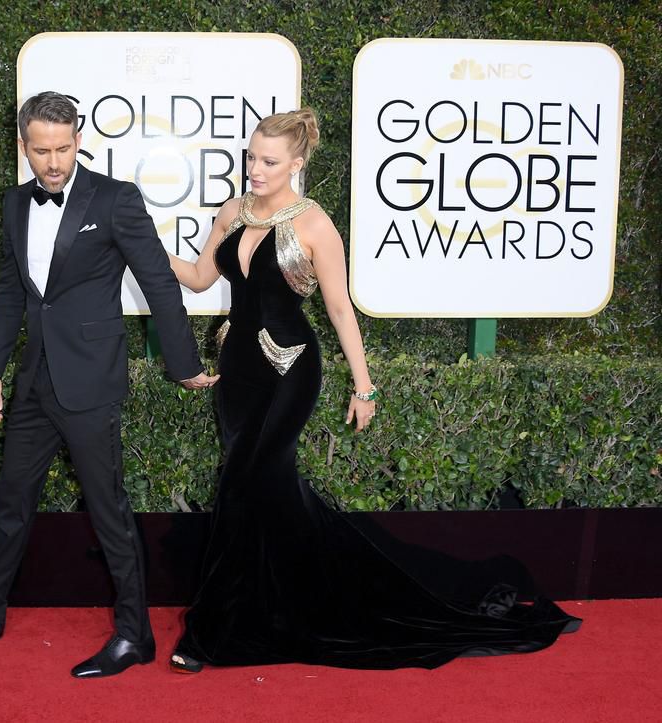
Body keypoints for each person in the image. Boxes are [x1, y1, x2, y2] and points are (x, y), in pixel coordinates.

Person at [166, 108, 579, 673]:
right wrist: (137, 240)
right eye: (251, 157)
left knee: (246, 483)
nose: (255, 169)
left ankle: (215, 628)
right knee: (270, 492)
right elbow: (198, 278)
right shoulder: (232, 212)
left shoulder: (313, 225)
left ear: (296, 162)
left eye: (268, 161)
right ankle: (295, 598)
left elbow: (339, 308)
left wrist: (364, 386)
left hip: (292, 370)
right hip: (237, 374)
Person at [0, 91, 217, 678]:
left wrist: (182, 363)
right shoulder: (13, 203)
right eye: (40, 150)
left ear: (79, 140)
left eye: (63, 147)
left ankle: (135, 636)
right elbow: (11, 292)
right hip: (33, 381)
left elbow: (158, 282)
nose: (53, 162)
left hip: (91, 380)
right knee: (11, 501)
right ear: (24, 147)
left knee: (109, 511)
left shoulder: (115, 198)